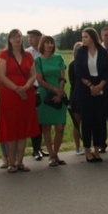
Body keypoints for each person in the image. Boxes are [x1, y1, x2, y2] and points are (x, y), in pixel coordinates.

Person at [0, 29, 40, 172]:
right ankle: (11, 163)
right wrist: (17, 89)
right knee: (11, 129)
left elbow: (33, 74)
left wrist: (26, 86)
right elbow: (2, 76)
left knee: (23, 129)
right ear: (9, 40)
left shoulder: (27, 55)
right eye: (14, 37)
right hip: (10, 95)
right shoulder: (4, 55)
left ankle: (20, 162)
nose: (17, 39)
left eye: (19, 37)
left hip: (26, 95)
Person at [73, 27, 108, 162]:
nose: (83, 39)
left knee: (99, 120)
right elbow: (78, 71)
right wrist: (90, 86)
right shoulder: (80, 52)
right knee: (87, 120)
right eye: (82, 37)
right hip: (84, 89)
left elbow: (107, 70)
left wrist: (100, 86)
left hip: (101, 87)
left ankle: (97, 149)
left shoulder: (103, 52)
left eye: (86, 37)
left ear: (93, 38)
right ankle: (87, 149)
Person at [35, 35, 68, 166]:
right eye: (47, 43)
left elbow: (62, 76)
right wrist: (54, 90)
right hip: (45, 96)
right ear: (42, 45)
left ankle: (55, 153)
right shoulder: (38, 60)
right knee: (46, 126)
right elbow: (40, 80)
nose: (50, 45)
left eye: (51, 43)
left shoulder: (59, 58)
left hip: (60, 94)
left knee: (60, 127)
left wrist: (60, 92)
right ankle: (51, 156)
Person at [26, 29, 47, 161]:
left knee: (44, 120)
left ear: (40, 38)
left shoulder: (46, 52)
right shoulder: (27, 53)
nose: (30, 39)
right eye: (29, 37)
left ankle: (41, 147)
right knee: (36, 120)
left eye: (33, 37)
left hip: (46, 88)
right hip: (34, 88)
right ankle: (35, 149)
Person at [67, 42, 84, 155]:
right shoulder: (73, 65)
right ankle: (78, 147)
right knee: (76, 123)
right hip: (76, 96)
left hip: (87, 96)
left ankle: (86, 145)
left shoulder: (87, 63)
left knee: (86, 123)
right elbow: (74, 82)